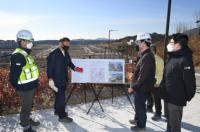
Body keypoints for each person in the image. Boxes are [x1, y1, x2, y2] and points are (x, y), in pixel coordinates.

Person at [160, 33, 196, 132]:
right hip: (167, 97)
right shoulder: (171, 57)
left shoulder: (185, 60)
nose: (169, 44)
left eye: (171, 42)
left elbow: (190, 83)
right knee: (169, 124)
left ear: (178, 44)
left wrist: (184, 97)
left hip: (176, 100)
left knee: (175, 127)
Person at [9, 30, 40, 132]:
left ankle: (28, 119)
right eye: (28, 41)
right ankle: (25, 125)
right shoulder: (18, 55)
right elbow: (14, 76)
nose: (31, 43)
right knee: (26, 107)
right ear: (22, 41)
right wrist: (18, 87)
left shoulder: (25, 53)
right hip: (24, 88)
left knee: (29, 105)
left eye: (31, 41)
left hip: (30, 86)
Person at [47, 37, 83, 123]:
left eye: (68, 44)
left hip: (63, 78)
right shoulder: (53, 53)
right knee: (61, 98)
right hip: (56, 80)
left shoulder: (66, 52)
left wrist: (75, 68)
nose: (67, 45)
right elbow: (49, 68)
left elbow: (69, 62)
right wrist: (50, 79)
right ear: (60, 43)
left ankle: (57, 111)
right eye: (66, 43)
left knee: (58, 96)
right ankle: (62, 116)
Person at [128, 32, 155, 131]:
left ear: (144, 43)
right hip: (140, 87)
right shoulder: (145, 55)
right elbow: (140, 72)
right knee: (139, 106)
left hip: (141, 88)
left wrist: (133, 87)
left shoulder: (147, 56)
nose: (138, 45)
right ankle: (138, 121)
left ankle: (141, 127)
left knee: (141, 107)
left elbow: (143, 76)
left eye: (139, 42)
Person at [150, 44, 164, 121]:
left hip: (156, 83)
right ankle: (149, 107)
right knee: (151, 96)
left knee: (157, 98)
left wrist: (157, 82)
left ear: (154, 50)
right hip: (150, 82)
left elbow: (160, 73)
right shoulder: (150, 59)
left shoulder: (159, 60)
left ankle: (158, 113)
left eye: (151, 50)